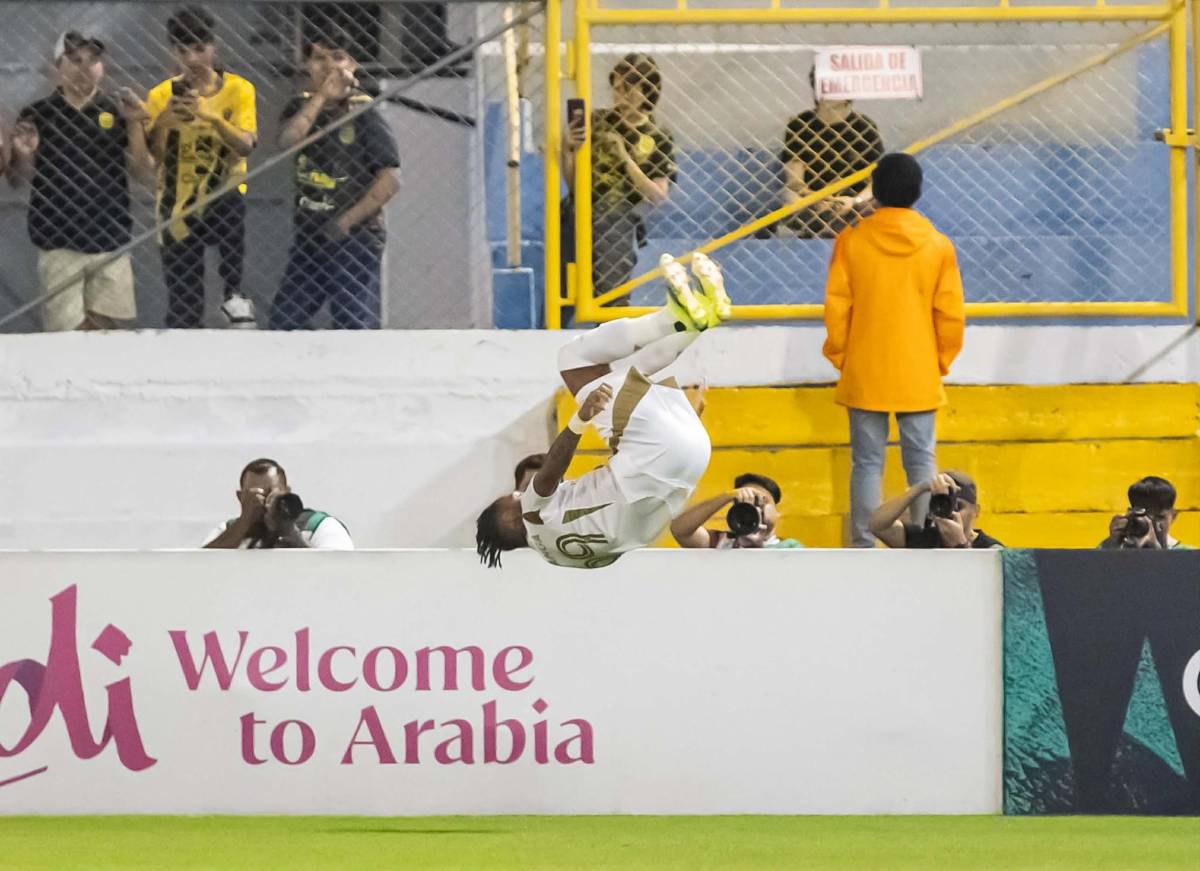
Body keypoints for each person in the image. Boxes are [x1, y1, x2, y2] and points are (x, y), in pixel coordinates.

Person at [475, 253, 731, 569]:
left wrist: (684, 425)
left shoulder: (564, 559)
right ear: (510, 519)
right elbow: (552, 469)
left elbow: (621, 514)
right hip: (651, 457)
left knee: (620, 373)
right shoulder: (530, 514)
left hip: (688, 464)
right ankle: (673, 320)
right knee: (573, 361)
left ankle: (699, 320)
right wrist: (580, 419)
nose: (516, 494)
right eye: (511, 498)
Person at [823, 153, 965, 548]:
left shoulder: (851, 241)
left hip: (865, 365)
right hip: (918, 367)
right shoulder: (938, 245)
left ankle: (864, 543)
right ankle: (923, 539)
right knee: (922, 461)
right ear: (917, 192)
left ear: (877, 191)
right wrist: (938, 361)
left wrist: (843, 357)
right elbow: (950, 314)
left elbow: (837, 308)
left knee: (867, 462)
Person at [7, 32, 152, 331]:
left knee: (106, 334)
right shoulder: (38, 113)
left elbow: (141, 172)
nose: (86, 66)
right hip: (58, 240)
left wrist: (136, 124)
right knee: (68, 336)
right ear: (58, 65)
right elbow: (17, 180)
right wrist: (22, 155)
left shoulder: (117, 110)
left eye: (94, 60)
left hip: (109, 237)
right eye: (75, 59)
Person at [270, 27, 401, 330]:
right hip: (309, 237)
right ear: (307, 66)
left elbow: (390, 179)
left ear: (352, 65)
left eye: (337, 58)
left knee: (352, 323)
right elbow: (288, 140)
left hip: (354, 237)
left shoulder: (363, 110)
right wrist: (321, 98)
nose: (328, 66)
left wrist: (346, 222)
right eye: (318, 59)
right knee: (285, 321)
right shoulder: (299, 106)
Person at [146, 7, 258, 329]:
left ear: (214, 47)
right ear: (172, 51)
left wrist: (209, 116)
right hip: (177, 201)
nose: (193, 59)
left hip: (223, 194)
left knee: (231, 197)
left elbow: (246, 144)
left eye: (200, 49)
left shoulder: (238, 89)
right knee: (184, 304)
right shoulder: (160, 95)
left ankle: (234, 293)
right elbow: (154, 160)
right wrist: (165, 121)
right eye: (182, 51)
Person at [562, 53, 677, 303]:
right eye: (616, 89)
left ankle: (610, 319)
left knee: (611, 293)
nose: (620, 96)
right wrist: (567, 150)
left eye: (629, 90)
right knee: (562, 291)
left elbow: (657, 194)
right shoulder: (597, 121)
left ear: (647, 92)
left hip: (618, 215)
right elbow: (573, 183)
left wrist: (625, 158)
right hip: (580, 208)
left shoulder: (658, 136)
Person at [779, 67, 883, 238]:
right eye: (823, 85)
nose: (827, 90)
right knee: (789, 198)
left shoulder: (864, 127)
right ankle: (820, 223)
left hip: (852, 200)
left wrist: (854, 201)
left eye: (834, 86)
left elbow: (874, 181)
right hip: (812, 199)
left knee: (876, 202)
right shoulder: (800, 125)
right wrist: (815, 199)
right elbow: (794, 181)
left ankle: (832, 223)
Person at [203, 458, 353, 549]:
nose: (266, 501)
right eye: (255, 494)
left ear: (287, 491)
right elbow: (196, 567)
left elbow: (338, 571)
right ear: (241, 497)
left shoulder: (319, 526)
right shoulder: (228, 531)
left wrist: (290, 533)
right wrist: (243, 524)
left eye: (273, 493)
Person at [870, 470, 1002, 549]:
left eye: (958, 507)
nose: (952, 512)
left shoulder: (991, 549)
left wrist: (960, 545)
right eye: (945, 506)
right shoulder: (925, 539)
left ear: (976, 511)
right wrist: (919, 488)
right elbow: (877, 525)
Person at [671, 473, 803, 549]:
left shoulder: (790, 548)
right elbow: (680, 530)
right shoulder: (720, 542)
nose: (755, 509)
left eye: (762, 501)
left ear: (777, 512)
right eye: (745, 504)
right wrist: (727, 496)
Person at [1100, 476, 1193, 550]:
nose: (1150, 523)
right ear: (1131, 515)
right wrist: (1111, 547)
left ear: (1173, 516)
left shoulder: (1190, 556)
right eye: (1145, 516)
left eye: (1159, 517)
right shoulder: (1116, 550)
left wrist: (1157, 552)